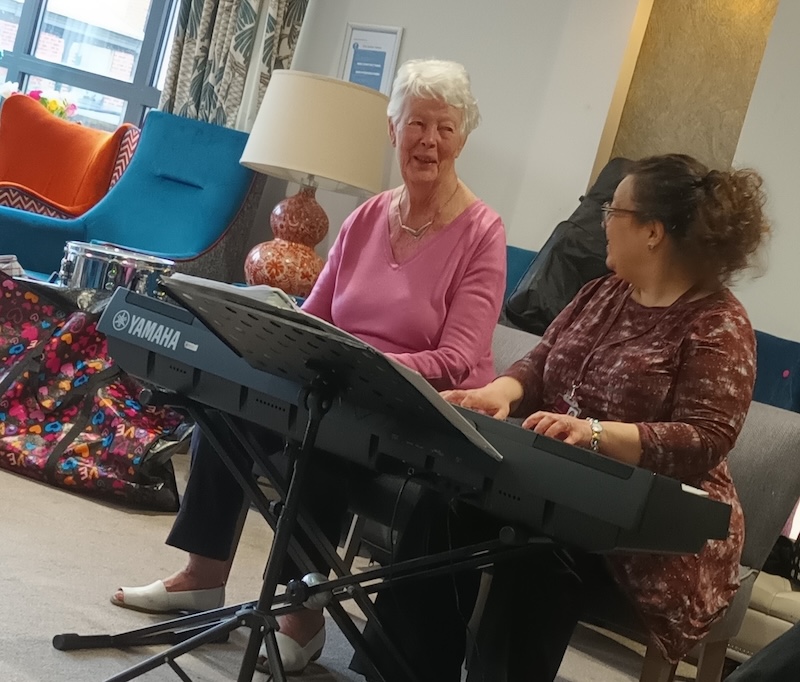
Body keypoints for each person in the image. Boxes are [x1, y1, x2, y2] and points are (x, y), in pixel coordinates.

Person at [110, 58, 507, 674]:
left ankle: (303, 616)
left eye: (445, 128)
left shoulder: (482, 233)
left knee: (321, 441)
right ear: (392, 129)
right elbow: (315, 315)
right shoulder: (367, 216)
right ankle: (204, 572)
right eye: (417, 124)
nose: (429, 140)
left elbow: (457, 360)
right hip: (338, 382)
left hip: (413, 411)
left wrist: (363, 366)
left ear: (464, 137)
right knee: (228, 404)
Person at [442, 153, 770, 679]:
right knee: (442, 502)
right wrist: (500, 392)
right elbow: (543, 362)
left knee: (533, 558)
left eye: (613, 212)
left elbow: (704, 439)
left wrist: (595, 434)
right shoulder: (602, 292)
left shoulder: (719, 325)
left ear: (653, 232)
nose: (601, 224)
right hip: (563, 492)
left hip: (660, 533)